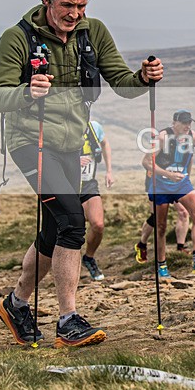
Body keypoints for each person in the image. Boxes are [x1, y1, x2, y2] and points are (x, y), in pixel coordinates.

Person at [0, 0, 163, 347]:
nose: (74, 13)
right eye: (67, 4)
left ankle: (17, 304)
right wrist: (26, 92)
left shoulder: (93, 32)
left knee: (54, 230)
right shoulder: (17, 38)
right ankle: (68, 320)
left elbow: (121, 82)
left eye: (81, 6)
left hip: (73, 144)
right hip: (30, 143)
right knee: (72, 221)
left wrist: (143, 78)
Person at [138, 109, 195, 280]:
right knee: (161, 225)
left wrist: (188, 178)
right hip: (161, 183)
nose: (187, 126)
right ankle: (162, 266)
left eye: (189, 122)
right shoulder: (163, 137)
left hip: (182, 182)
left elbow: (189, 157)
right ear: (174, 123)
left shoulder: (192, 136)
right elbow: (146, 162)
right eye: (184, 122)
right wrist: (168, 175)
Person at [79, 120, 113, 281]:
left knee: (98, 225)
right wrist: (73, 162)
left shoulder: (94, 128)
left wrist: (109, 171)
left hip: (88, 184)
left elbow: (105, 143)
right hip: (67, 185)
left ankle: (88, 257)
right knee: (68, 230)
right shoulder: (63, 125)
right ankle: (65, 267)